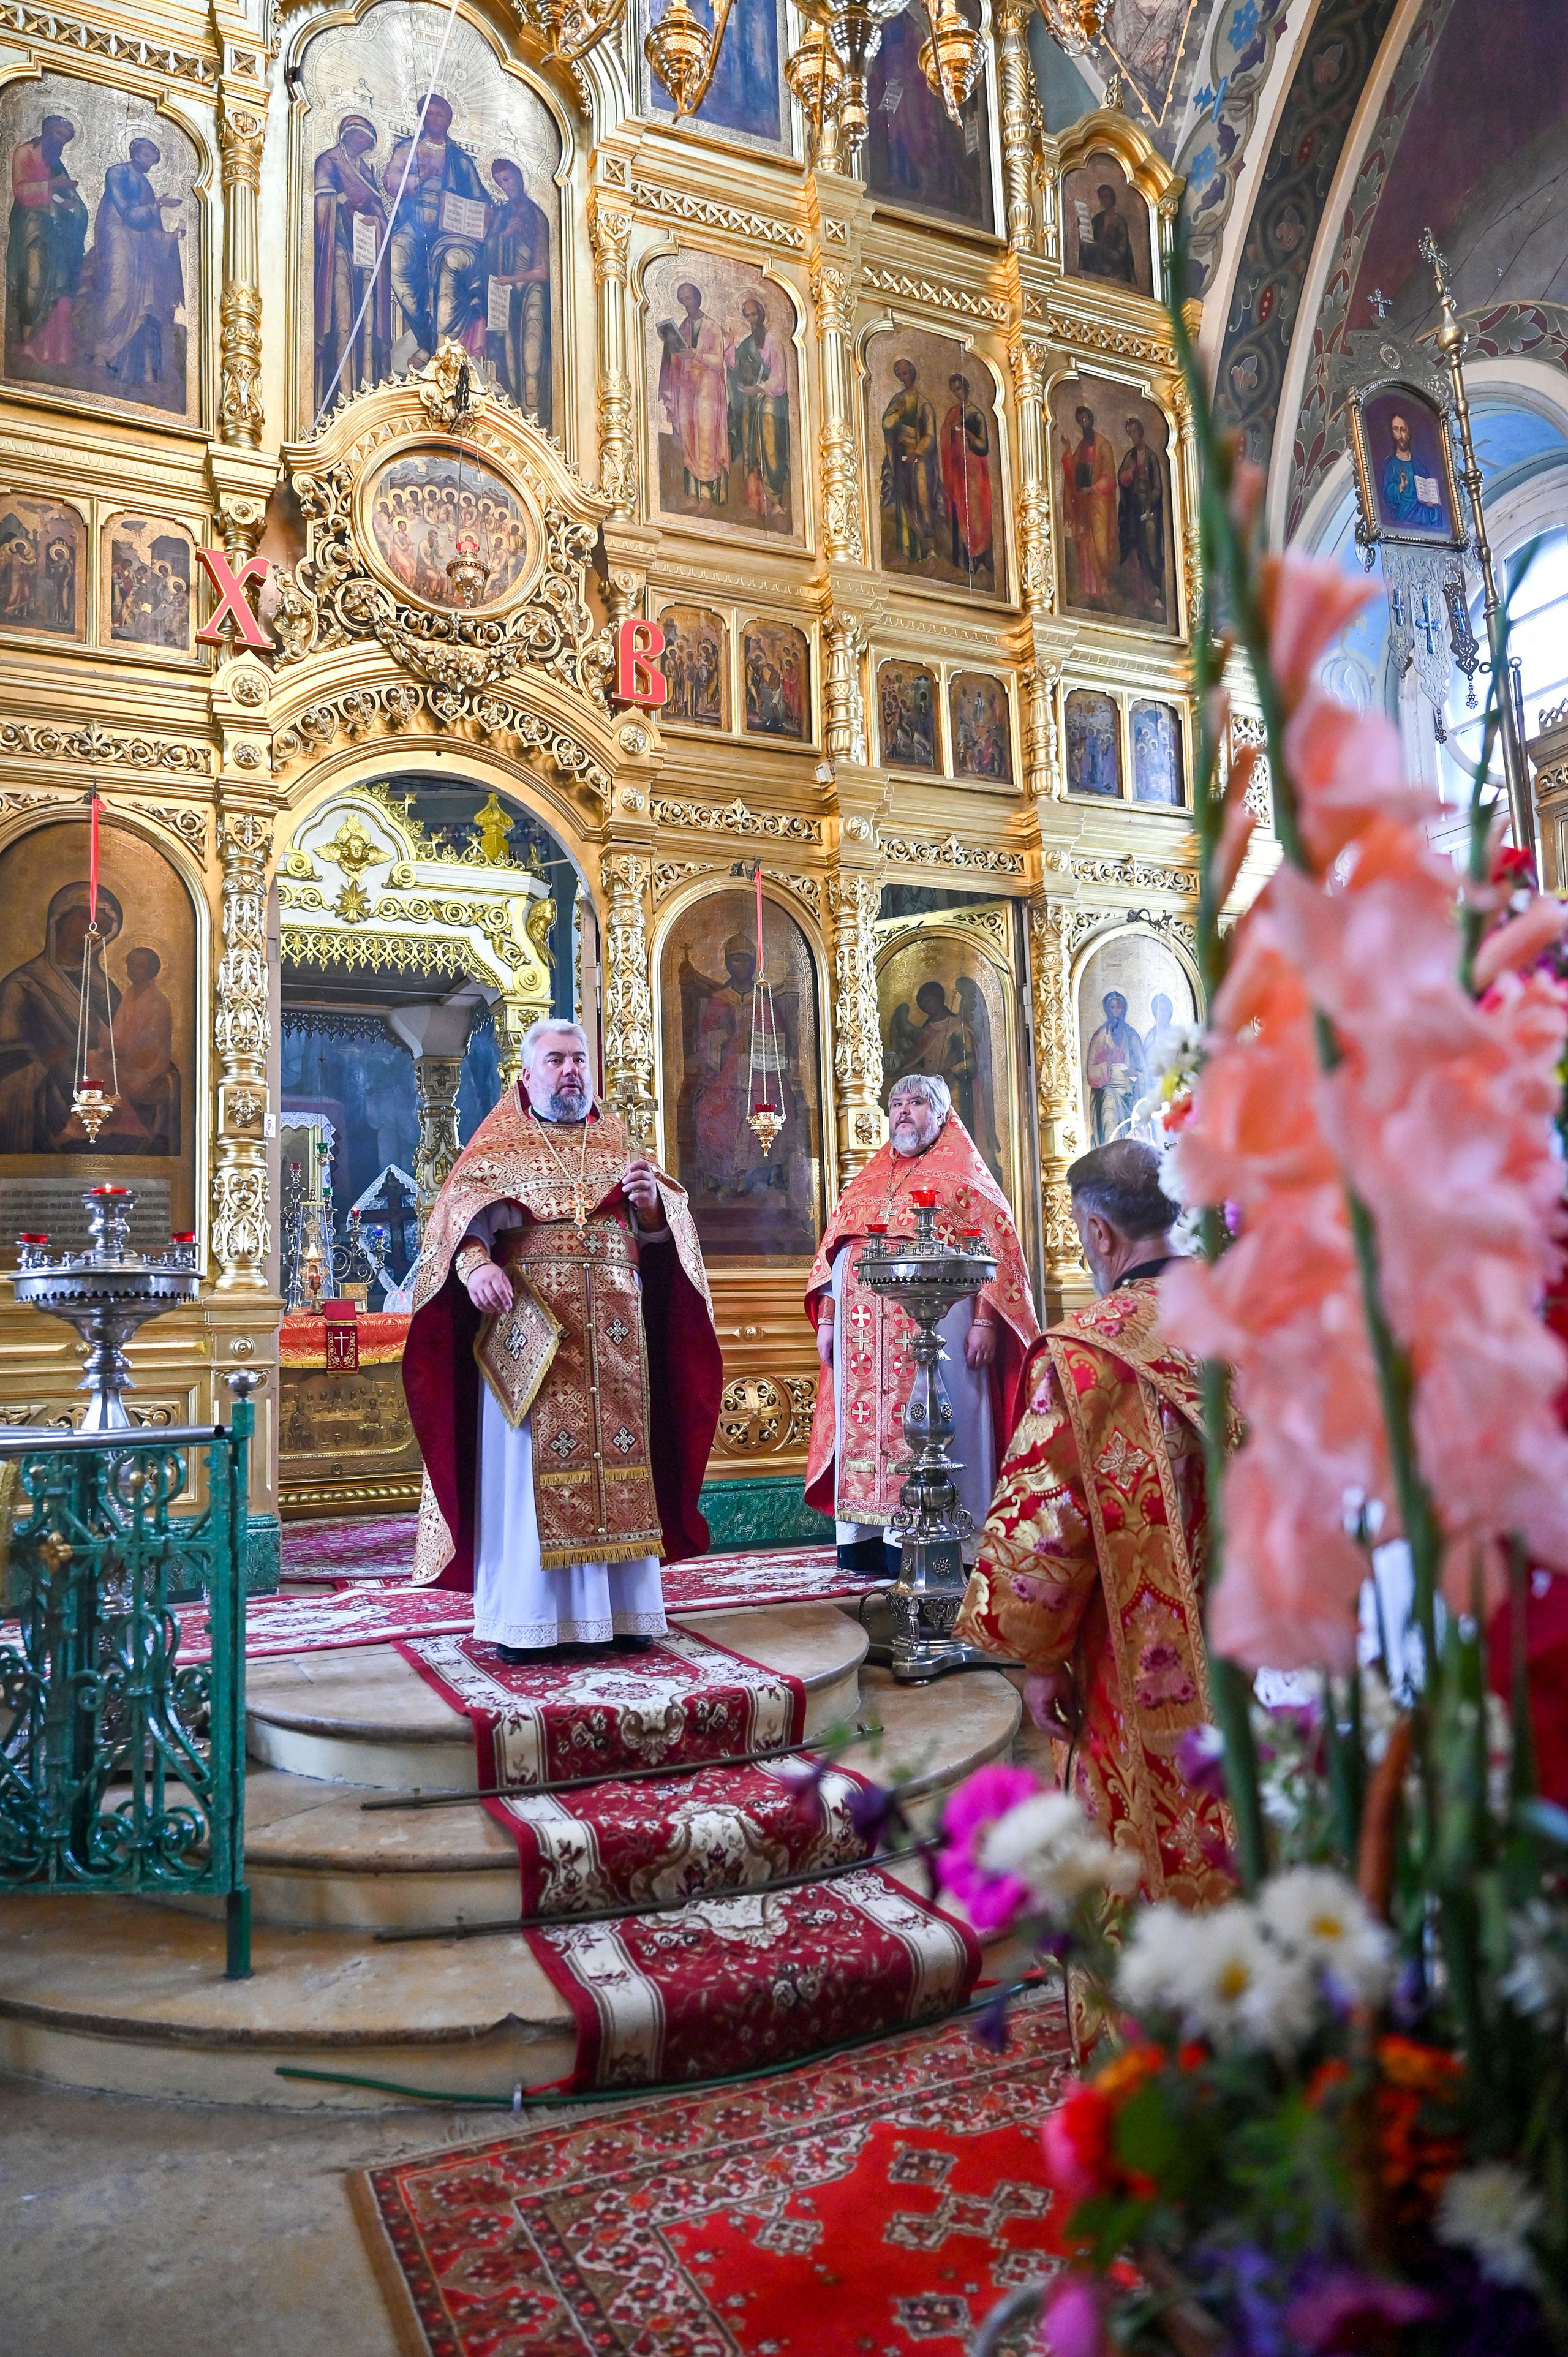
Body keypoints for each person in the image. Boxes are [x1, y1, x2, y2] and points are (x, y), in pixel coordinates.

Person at [954, 1141, 1233, 1906]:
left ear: (1100, 1234)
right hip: (1268, 1642)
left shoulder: (1086, 1354)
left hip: (1141, 1661)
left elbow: (1046, 1526)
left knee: (1148, 1842)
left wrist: (1037, 1659)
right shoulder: (1250, 1320)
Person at [402, 1020, 722, 1658]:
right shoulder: (498, 1145)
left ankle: (625, 1613)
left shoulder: (619, 1140)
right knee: (529, 1478)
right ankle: (531, 1621)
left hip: (616, 1342)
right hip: (535, 1336)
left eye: (579, 1058)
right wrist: (479, 1267)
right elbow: (457, 1221)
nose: (571, 1069)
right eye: (556, 1059)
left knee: (622, 1466)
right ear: (527, 1074)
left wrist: (655, 1210)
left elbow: (661, 1240)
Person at [805, 1073, 1038, 1573]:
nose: (903, 1111)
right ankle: (867, 1539)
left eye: (917, 1102)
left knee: (939, 1422)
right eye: (896, 1103)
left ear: (942, 1114)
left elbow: (999, 1253)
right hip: (863, 1343)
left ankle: (946, 1539)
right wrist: (828, 1316)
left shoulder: (968, 1179)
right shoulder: (870, 1175)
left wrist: (986, 1323)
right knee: (868, 1430)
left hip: (939, 1337)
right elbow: (835, 1252)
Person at [0, 881, 123, 1153]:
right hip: (46, 1106)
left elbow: (126, 1043)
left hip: (103, 1106)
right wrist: (49, 1059)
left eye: (101, 929)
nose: (92, 933)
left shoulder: (102, 988)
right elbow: (6, 1062)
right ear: (58, 922)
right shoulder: (23, 985)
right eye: (85, 921)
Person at [385, 95, 489, 363]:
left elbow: (480, 201)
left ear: (449, 121)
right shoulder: (408, 149)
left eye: (439, 114)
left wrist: (471, 216)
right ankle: (425, 338)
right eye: (428, 113)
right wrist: (421, 176)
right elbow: (391, 181)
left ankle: (443, 350)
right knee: (397, 258)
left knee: (452, 262)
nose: (433, 119)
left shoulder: (460, 160)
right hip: (413, 225)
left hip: (449, 234)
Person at [77, 137, 185, 388]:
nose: (146, 156)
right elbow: (128, 213)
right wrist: (157, 205)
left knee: (144, 303)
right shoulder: (117, 173)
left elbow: (152, 230)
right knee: (119, 291)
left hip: (141, 246)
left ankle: (127, 368)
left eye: (152, 154)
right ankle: (100, 355)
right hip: (117, 236)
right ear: (134, 151)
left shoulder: (147, 187)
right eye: (143, 151)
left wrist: (171, 236)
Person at [313, 113, 390, 411]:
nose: (363, 145)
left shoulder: (366, 171)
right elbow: (322, 203)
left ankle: (367, 389)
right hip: (339, 249)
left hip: (365, 251)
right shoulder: (329, 161)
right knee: (342, 314)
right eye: (360, 139)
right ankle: (342, 394)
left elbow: (380, 213)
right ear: (347, 134)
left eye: (368, 142)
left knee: (367, 317)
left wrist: (375, 219)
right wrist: (344, 203)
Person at [6, 113, 88, 368]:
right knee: (34, 280)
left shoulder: (57, 165)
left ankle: (55, 351)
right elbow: (21, 190)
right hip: (30, 227)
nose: (61, 141)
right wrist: (53, 185)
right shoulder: (25, 153)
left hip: (56, 234)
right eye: (58, 134)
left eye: (65, 138)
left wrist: (71, 205)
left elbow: (64, 200)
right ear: (46, 131)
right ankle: (27, 341)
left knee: (62, 286)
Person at [483, 157, 551, 426]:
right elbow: (487, 253)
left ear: (520, 176)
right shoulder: (502, 215)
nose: (505, 187)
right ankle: (515, 409)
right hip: (507, 294)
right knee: (507, 352)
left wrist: (513, 277)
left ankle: (534, 415)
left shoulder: (537, 216)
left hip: (531, 291)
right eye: (500, 183)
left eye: (508, 179)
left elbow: (543, 272)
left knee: (531, 350)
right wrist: (505, 235)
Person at [657, 281, 729, 503]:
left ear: (698, 297)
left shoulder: (712, 327)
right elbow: (678, 358)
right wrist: (672, 348)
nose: (686, 304)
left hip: (708, 386)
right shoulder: (685, 326)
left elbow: (717, 361)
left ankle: (707, 494)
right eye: (682, 300)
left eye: (689, 298)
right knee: (688, 433)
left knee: (706, 436)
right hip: (687, 384)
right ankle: (692, 492)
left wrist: (694, 355)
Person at [726, 294, 790, 525]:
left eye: (755, 314)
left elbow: (780, 380)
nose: (752, 319)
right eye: (748, 316)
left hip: (771, 402)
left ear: (763, 315)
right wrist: (727, 344)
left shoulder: (774, 343)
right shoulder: (746, 344)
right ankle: (754, 503)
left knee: (770, 447)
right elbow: (735, 365)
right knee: (750, 446)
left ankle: (775, 503)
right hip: (751, 404)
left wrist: (761, 389)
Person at [881, 356, 938, 565]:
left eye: (905, 373)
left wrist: (916, 451)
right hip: (900, 457)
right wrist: (899, 415)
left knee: (922, 501)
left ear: (913, 372)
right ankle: (905, 552)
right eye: (899, 374)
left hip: (920, 458)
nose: (903, 377)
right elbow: (887, 424)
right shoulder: (898, 400)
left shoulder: (924, 404)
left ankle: (931, 552)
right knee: (904, 503)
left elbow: (930, 436)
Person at [940, 374, 993, 582]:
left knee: (975, 513)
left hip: (974, 472)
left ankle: (979, 562)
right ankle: (962, 563)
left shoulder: (977, 415)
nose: (957, 393)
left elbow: (984, 447)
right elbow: (946, 435)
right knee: (957, 511)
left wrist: (968, 435)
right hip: (957, 472)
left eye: (960, 389)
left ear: (967, 389)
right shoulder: (953, 413)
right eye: (954, 390)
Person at [1061, 405, 1116, 603]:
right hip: (1085, 504)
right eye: (1080, 421)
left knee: (1101, 545)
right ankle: (1089, 588)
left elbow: (1110, 477)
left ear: (1092, 420)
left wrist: (1093, 489)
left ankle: (1103, 583)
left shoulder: (1104, 445)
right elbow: (1074, 470)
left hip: (1100, 504)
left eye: (1085, 419)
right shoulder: (1082, 447)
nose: (1083, 424)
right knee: (1085, 544)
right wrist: (1068, 452)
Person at [1117, 417, 1166, 619]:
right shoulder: (1130, 456)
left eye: (1135, 432)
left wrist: (1149, 503)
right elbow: (1122, 478)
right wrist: (1126, 475)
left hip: (1149, 509)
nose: (1133, 436)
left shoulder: (1151, 457)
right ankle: (1140, 594)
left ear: (1141, 433)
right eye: (1130, 433)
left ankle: (1155, 591)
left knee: (1150, 547)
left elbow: (1157, 488)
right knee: (1136, 547)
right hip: (1132, 508)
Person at [1085, 989, 1147, 1144]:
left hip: (1130, 1091)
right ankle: (1110, 1150)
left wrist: (1132, 1074)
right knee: (1109, 1105)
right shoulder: (1100, 1037)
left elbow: (1144, 1073)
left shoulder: (1132, 1037)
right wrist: (1108, 1065)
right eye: (1112, 1008)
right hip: (1108, 1089)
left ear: (1124, 1010)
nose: (1115, 1012)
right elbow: (1091, 1073)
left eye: (1118, 1008)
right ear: (1106, 1010)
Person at [1379, 410, 1445, 533]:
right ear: (1392, 433)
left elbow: (1428, 492)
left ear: (1409, 433)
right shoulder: (1391, 465)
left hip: (1423, 512)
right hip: (1405, 513)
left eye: (1403, 430)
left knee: (1437, 514)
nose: (1400, 436)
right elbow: (1387, 494)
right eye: (1396, 430)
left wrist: (1430, 501)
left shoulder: (1420, 466)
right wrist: (1400, 487)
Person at [1078, 181, 1135, 283]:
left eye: (1107, 197)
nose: (1104, 200)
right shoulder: (1097, 219)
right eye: (1102, 197)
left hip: (1116, 270)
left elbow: (1121, 256)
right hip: (1099, 266)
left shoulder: (1120, 223)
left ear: (1112, 198)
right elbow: (1089, 243)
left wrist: (1100, 248)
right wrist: (1082, 228)